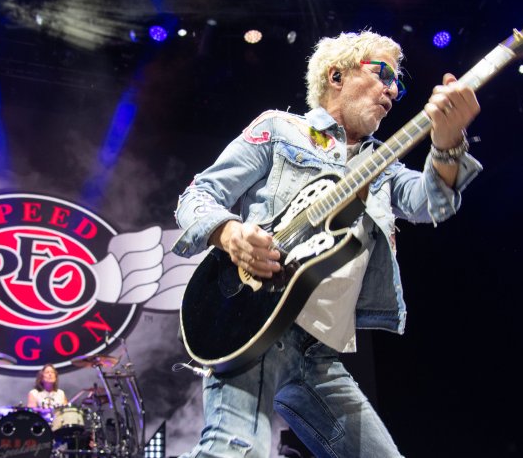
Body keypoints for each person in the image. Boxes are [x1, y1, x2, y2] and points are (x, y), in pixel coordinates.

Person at [172, 29, 483, 457]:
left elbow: (433, 202)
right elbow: (197, 196)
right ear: (337, 76)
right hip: (252, 322)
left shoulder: (383, 166)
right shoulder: (279, 130)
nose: (393, 90)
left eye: (400, 84)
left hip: (320, 353)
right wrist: (229, 233)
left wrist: (447, 144)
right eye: (384, 73)